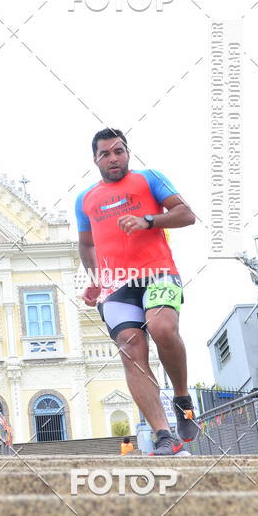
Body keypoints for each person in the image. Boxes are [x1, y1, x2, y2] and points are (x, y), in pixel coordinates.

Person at [77, 128, 198, 457]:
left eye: (118, 151)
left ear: (127, 153)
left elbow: (187, 215)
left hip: (158, 273)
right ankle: (163, 435)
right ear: (95, 159)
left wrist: (148, 220)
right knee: (130, 347)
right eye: (105, 154)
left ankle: (182, 396)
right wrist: (93, 278)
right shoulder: (85, 199)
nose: (113, 158)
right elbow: (86, 244)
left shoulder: (149, 179)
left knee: (161, 328)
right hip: (116, 286)